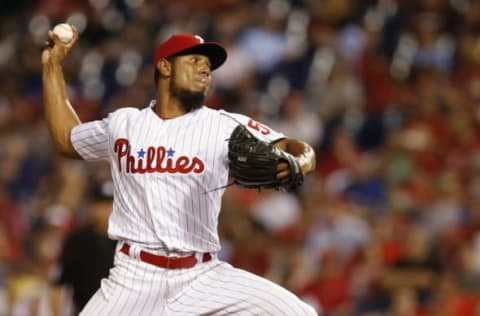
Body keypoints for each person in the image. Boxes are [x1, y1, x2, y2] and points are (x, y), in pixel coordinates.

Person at [42, 26, 318, 315]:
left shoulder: (223, 125)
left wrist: (303, 160)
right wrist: (52, 66)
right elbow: (66, 140)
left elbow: (291, 146)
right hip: (133, 278)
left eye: (208, 66)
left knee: (299, 313)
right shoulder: (124, 124)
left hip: (202, 276)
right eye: (195, 60)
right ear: (164, 66)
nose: (205, 70)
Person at [52, 180, 117, 315]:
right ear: (91, 207)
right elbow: (59, 284)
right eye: (102, 204)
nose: (108, 210)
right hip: (84, 310)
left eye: (111, 204)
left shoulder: (130, 241)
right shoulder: (77, 240)